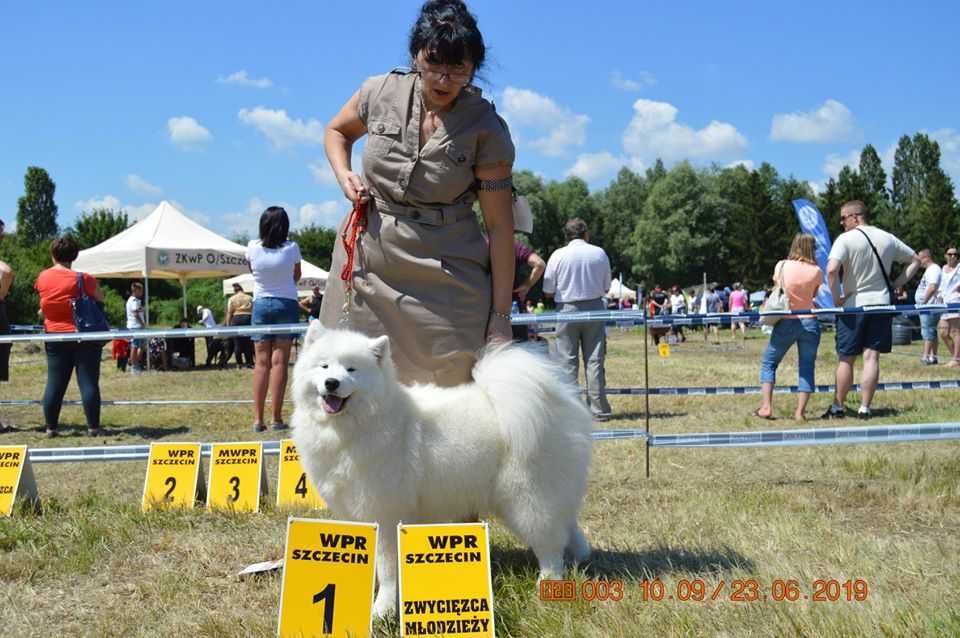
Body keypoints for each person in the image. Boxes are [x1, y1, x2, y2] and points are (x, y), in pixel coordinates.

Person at [318, 0, 516, 386]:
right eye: (434, 65)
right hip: (367, 266)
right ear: (415, 57)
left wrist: (501, 319)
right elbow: (336, 131)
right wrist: (344, 174)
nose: (444, 80)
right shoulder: (378, 91)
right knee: (352, 387)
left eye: (458, 69)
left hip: (446, 275)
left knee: (449, 395)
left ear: (475, 67)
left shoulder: (486, 127)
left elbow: (499, 227)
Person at [823, 200, 921, 420]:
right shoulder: (887, 238)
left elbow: (831, 270)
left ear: (855, 217)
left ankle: (838, 407)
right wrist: (895, 284)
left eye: (843, 218)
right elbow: (915, 260)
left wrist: (836, 298)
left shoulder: (845, 239)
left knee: (846, 358)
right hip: (881, 303)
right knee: (871, 357)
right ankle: (865, 408)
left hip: (853, 306)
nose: (841, 223)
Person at [33, 235, 106, 437]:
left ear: (52, 254)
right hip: (84, 337)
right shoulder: (85, 279)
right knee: (88, 382)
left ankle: (51, 427)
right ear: (74, 256)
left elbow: (44, 304)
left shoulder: (42, 277)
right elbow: (100, 300)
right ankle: (93, 427)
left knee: (55, 383)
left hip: (54, 336)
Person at [543, 218, 613, 421]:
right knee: (595, 361)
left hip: (566, 310)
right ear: (586, 234)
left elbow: (548, 291)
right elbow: (607, 287)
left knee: (567, 362)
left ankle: (571, 412)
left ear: (566, 235)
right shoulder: (599, 253)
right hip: (595, 309)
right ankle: (599, 410)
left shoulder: (557, 255)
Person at [753, 234, 823, 421]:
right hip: (810, 321)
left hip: (786, 319)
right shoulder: (816, 270)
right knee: (807, 367)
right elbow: (813, 296)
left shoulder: (782, 265)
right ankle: (800, 413)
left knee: (769, 363)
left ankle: (766, 407)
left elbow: (778, 289)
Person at [246, 206, 302, 432]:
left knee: (261, 362)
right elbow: (296, 276)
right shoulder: (292, 248)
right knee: (279, 362)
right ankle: (276, 418)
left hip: (260, 303)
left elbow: (252, 271)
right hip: (286, 303)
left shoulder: (251, 247)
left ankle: (258, 419)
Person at [914, 249, 942, 365]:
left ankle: (925, 357)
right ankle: (933, 357)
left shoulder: (933, 269)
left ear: (926, 257)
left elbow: (932, 287)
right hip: (929, 305)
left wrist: (923, 303)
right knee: (931, 331)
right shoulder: (930, 270)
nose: (918, 261)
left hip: (929, 306)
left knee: (927, 331)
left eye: (919, 258)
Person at [937, 247, 960, 367]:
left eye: (955, 254)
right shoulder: (943, 269)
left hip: (956, 301)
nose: (953, 256)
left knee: (955, 331)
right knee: (943, 332)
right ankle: (956, 358)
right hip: (944, 302)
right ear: (945, 255)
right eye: (950, 254)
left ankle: (956, 360)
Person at [225, 283, 254, 368]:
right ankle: (249, 362)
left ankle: (239, 363)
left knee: (237, 342)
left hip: (236, 319)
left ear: (235, 291)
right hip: (248, 318)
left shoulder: (232, 299)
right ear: (242, 289)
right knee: (248, 342)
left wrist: (227, 325)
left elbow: (229, 312)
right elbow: (254, 309)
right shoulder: (250, 298)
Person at [125, 282, 145, 373]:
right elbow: (135, 314)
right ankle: (133, 365)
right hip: (136, 326)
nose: (142, 293)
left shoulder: (132, 300)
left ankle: (133, 363)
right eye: (141, 291)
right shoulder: (134, 300)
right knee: (135, 346)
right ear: (136, 290)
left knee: (139, 346)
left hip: (134, 326)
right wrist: (142, 324)